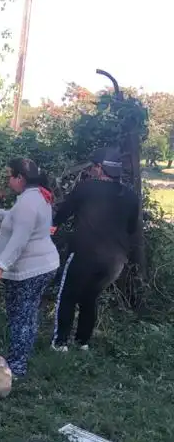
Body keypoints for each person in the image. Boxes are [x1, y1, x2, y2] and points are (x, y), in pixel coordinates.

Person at [50, 148, 139, 351]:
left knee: (68, 295)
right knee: (90, 297)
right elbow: (132, 228)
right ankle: (83, 342)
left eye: (93, 167)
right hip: (115, 261)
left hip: (84, 254)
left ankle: (60, 343)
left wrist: (53, 226)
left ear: (100, 168)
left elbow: (63, 214)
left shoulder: (86, 188)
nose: (90, 171)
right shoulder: (131, 196)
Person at [0, 158, 59, 377]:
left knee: (20, 316)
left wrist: (0, 266)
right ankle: (21, 356)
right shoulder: (37, 195)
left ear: (20, 178)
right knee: (28, 314)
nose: (7, 180)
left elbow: (19, 239)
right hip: (43, 265)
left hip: (30, 270)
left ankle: (17, 367)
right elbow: (17, 220)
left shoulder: (28, 202)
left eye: (9, 176)